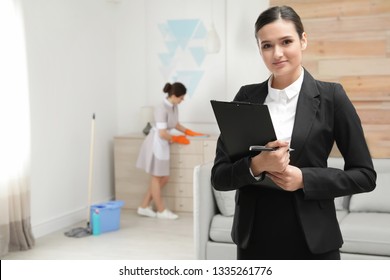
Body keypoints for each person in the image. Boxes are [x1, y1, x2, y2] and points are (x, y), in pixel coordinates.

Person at [211, 5, 376, 260]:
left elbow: (365, 176)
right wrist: (255, 165)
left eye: (286, 41)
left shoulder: (332, 97)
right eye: (267, 45)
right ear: (259, 49)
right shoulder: (246, 96)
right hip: (254, 237)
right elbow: (220, 177)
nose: (277, 53)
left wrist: (304, 179)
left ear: (303, 40)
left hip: (313, 239)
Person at [136, 82, 206, 219]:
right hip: (156, 144)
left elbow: (175, 124)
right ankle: (161, 210)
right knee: (156, 177)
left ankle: (143, 206)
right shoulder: (161, 109)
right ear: (174, 96)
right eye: (181, 98)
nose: (182, 100)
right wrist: (177, 139)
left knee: (164, 177)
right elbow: (162, 133)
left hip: (164, 143)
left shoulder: (173, 106)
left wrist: (189, 132)